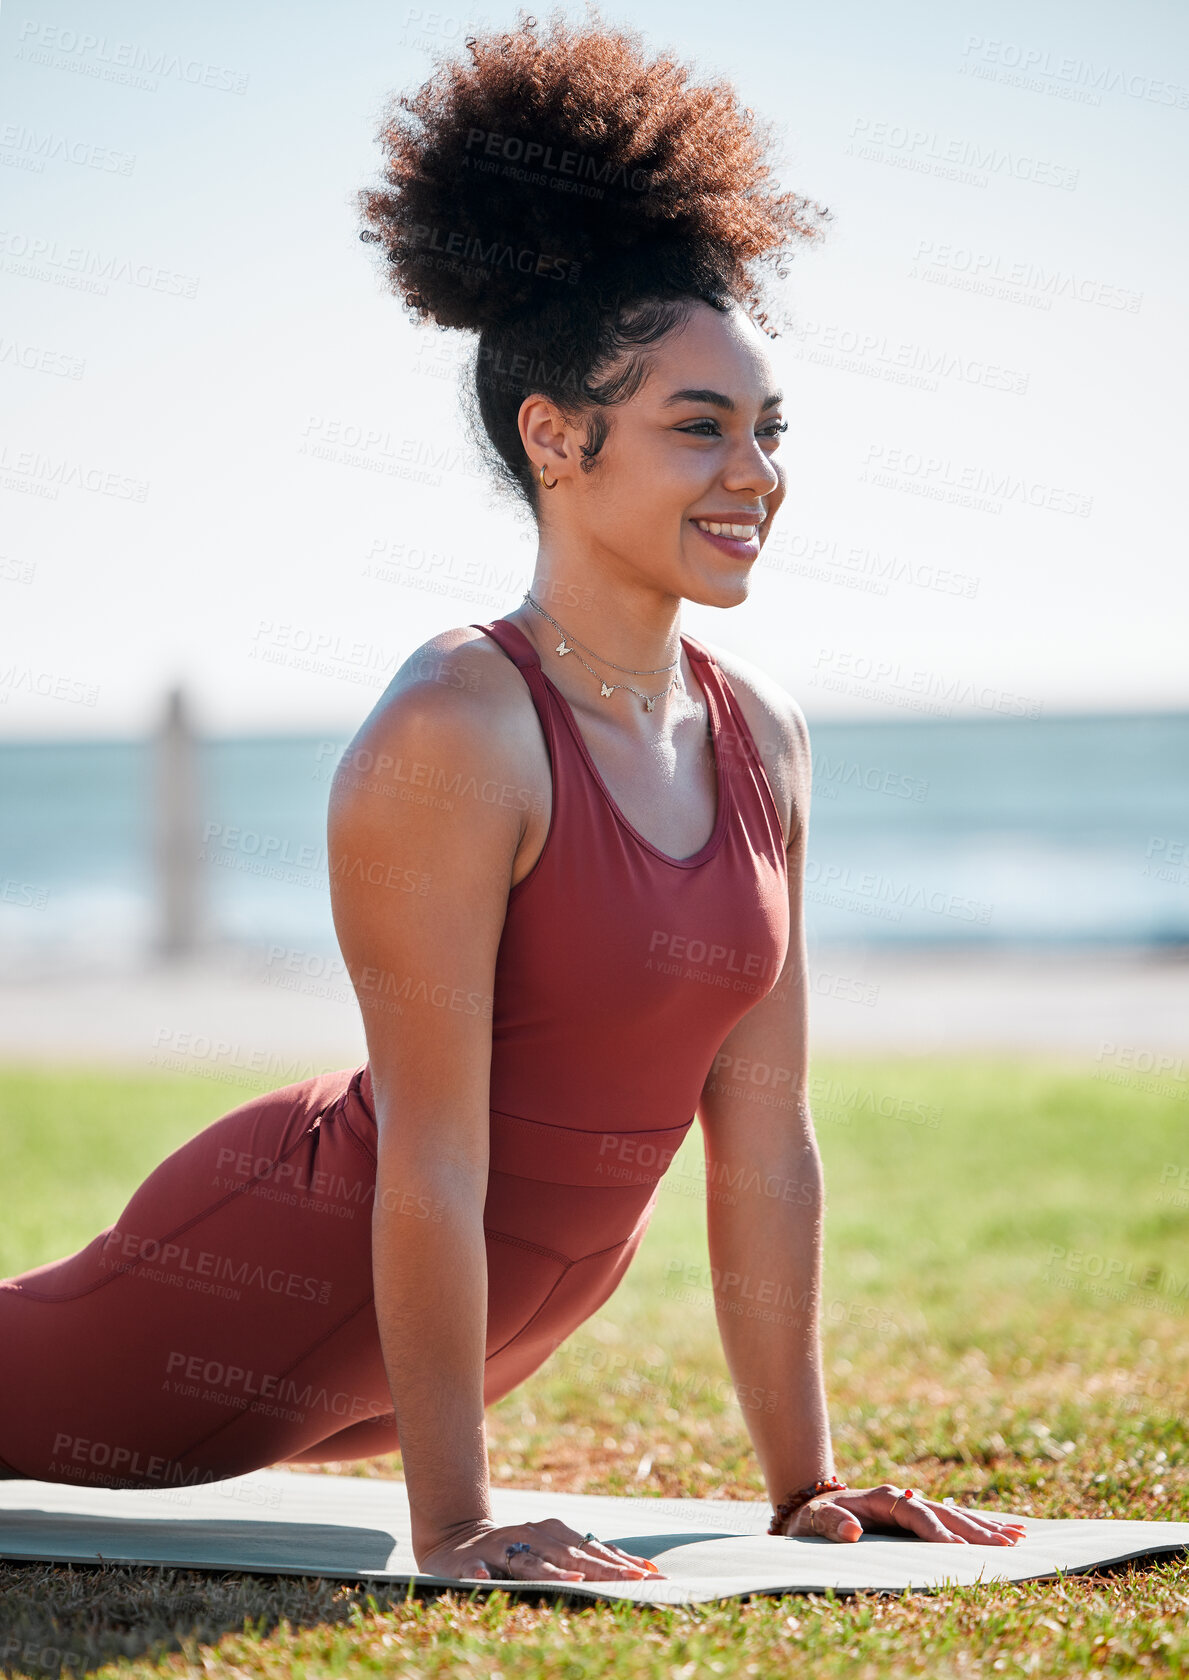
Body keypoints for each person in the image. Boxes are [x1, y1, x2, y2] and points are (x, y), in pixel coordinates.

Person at [0, 11, 1027, 1581]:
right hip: (252, 1287)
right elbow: (432, 1152)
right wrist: (457, 1525)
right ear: (556, 438)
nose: (752, 472)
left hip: (449, 1348)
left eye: (767, 430)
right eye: (699, 427)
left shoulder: (761, 731)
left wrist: (805, 1485)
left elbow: (763, 1136)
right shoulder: (458, 729)